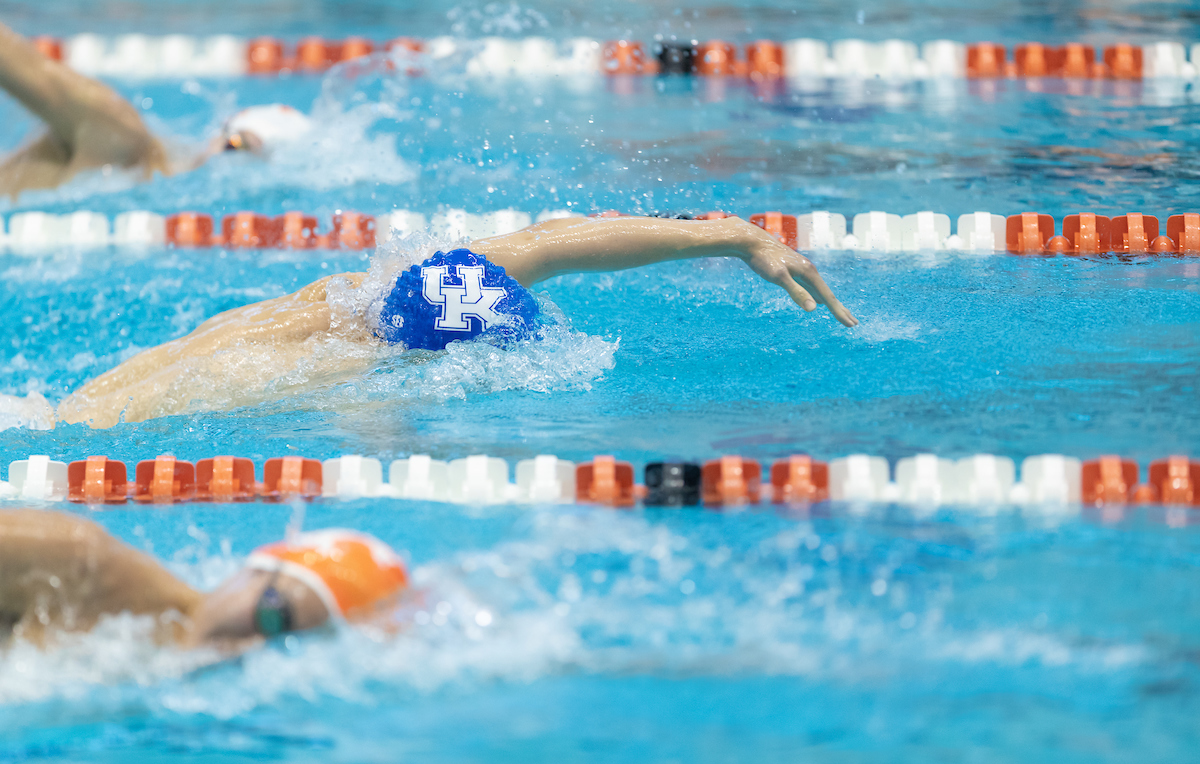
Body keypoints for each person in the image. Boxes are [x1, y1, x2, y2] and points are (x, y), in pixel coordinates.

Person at [41, 214, 858, 428]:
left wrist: (726, 235)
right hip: (339, 365)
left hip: (331, 313)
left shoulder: (345, 295)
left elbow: (563, 239)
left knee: (81, 405)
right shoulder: (355, 375)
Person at [0, 507, 407, 649]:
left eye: (284, 644)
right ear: (252, 568)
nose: (251, 645)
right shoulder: (79, 565)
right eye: (271, 615)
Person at [0, 21, 310, 199]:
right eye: (236, 145)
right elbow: (28, 69)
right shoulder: (116, 131)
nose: (231, 166)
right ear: (219, 134)